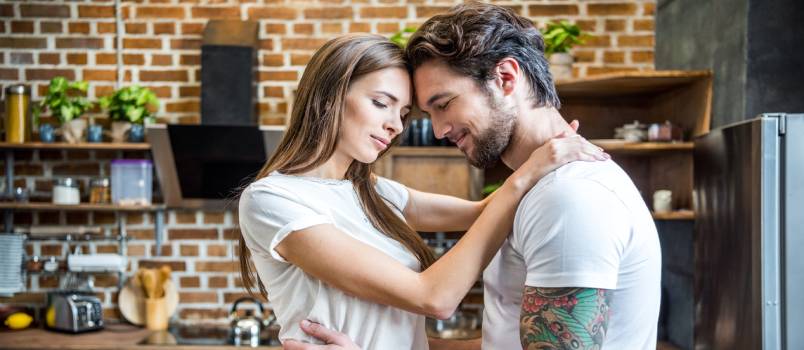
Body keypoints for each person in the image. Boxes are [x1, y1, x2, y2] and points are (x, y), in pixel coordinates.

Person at [287, 2, 662, 350]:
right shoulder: (535, 189)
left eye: (444, 104)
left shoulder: (570, 197)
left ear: (505, 78)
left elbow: (436, 298)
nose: (436, 130)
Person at [237, 33, 608, 349]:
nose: (394, 126)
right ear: (330, 95)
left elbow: (483, 212)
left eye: (402, 114)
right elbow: (434, 297)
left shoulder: (373, 193)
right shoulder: (273, 200)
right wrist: (530, 173)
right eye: (381, 103)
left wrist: (546, 153)